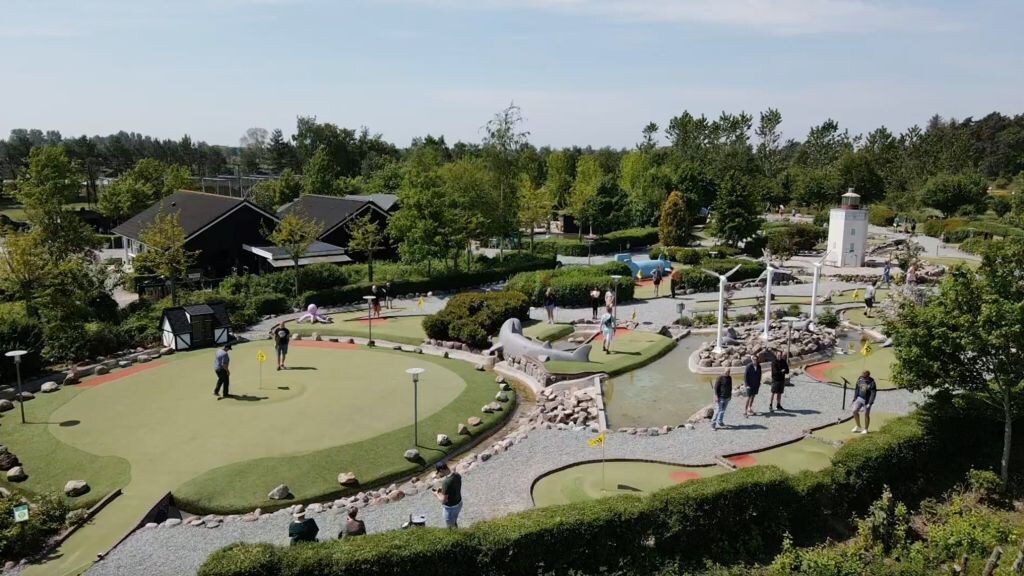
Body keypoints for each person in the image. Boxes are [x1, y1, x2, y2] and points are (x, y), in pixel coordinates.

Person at [433, 462, 462, 528]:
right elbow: (453, 486)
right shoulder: (457, 475)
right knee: (454, 521)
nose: (439, 474)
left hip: (451, 508)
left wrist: (436, 494)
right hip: (459, 502)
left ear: (441, 470)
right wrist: (443, 489)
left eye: (439, 472)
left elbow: (444, 501)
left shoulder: (446, 482)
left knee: (450, 526)